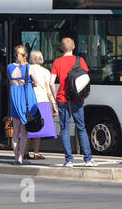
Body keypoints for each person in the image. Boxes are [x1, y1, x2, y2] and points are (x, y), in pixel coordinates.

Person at [49, 37, 93, 167]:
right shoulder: (80, 60)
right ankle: (88, 159)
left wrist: (54, 98)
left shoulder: (57, 62)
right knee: (81, 127)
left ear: (61, 48)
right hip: (77, 100)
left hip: (62, 99)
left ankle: (69, 159)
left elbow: (51, 82)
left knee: (64, 128)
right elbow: (85, 79)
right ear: (73, 47)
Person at [26, 50, 57, 160]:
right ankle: (36, 152)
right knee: (38, 126)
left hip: (28, 102)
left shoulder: (26, 69)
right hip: (42, 101)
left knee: (27, 127)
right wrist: (54, 104)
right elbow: (49, 90)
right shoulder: (45, 72)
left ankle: (25, 151)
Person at [6, 45, 34, 165]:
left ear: (15, 54)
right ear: (25, 55)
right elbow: (35, 82)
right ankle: (21, 156)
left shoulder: (9, 67)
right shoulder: (28, 67)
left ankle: (16, 156)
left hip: (14, 99)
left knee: (15, 131)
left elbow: (10, 81)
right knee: (24, 132)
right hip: (24, 100)